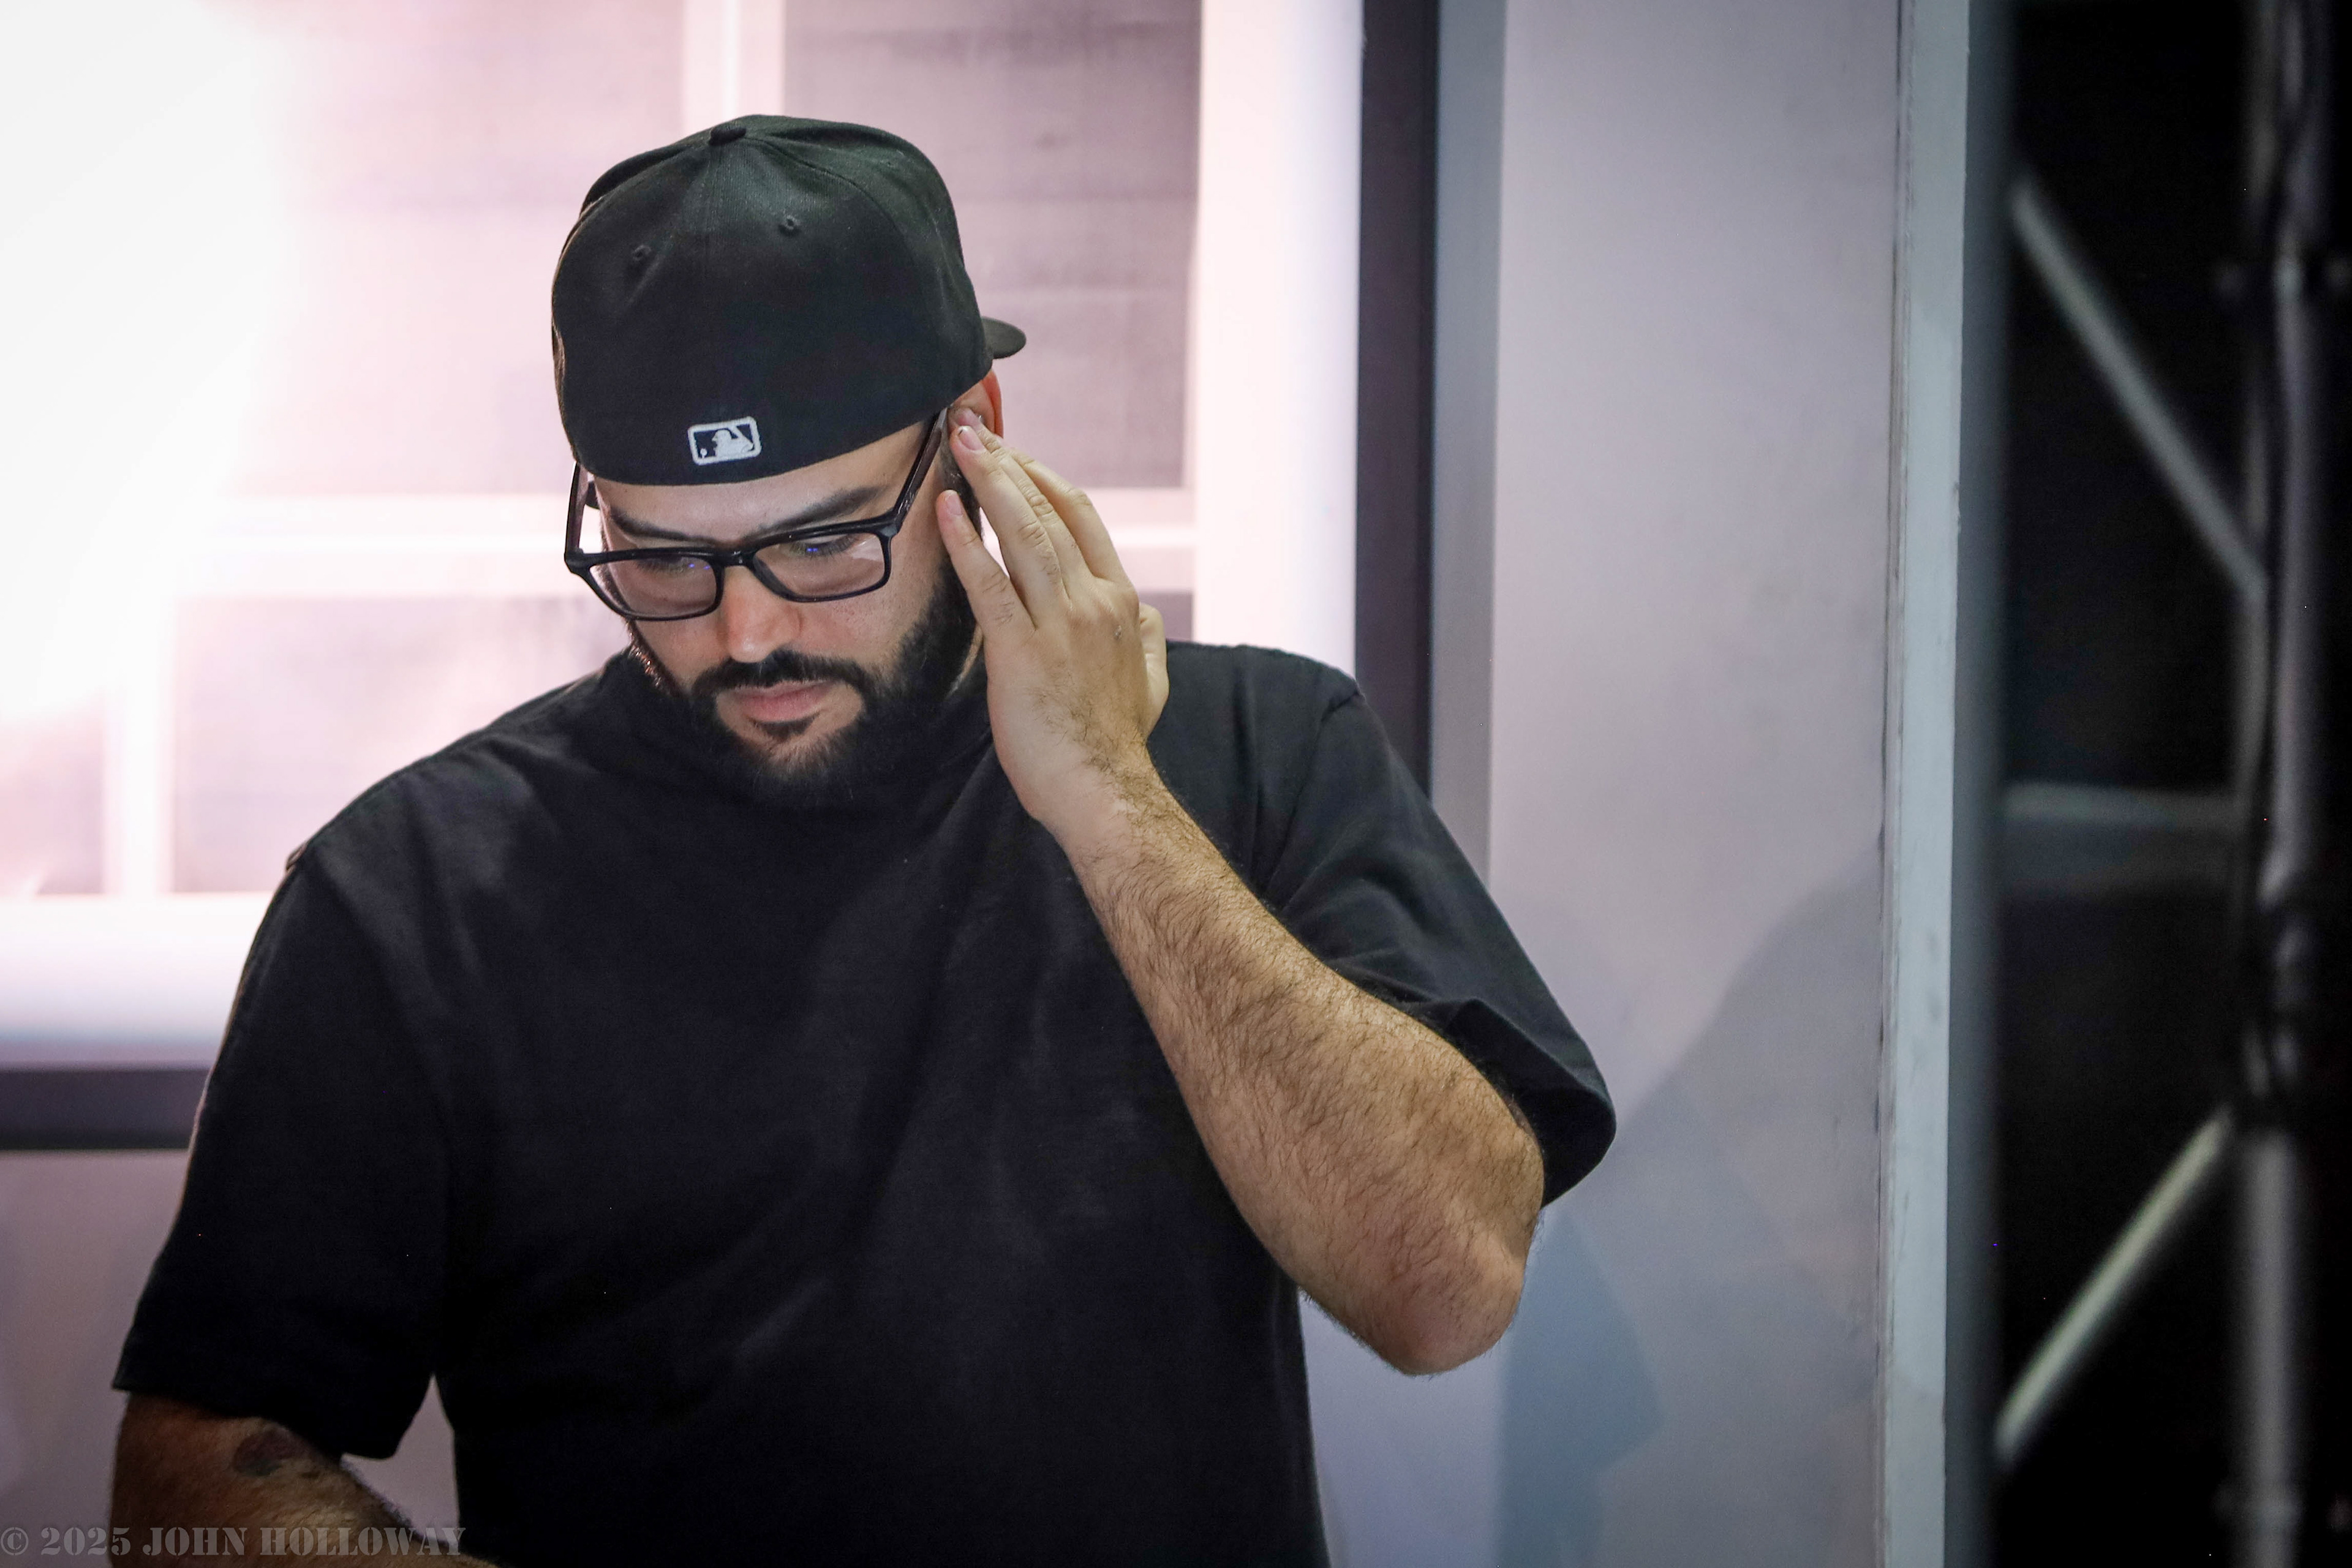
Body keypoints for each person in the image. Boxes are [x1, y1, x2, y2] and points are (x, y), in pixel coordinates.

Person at [108, 116, 1613, 1567]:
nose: (749, 632)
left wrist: (1110, 798)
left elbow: (1444, 1288)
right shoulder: (413, 890)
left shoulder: (1255, 749)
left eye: (825, 540)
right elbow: (185, 1481)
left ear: (976, 443)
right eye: (665, 557)